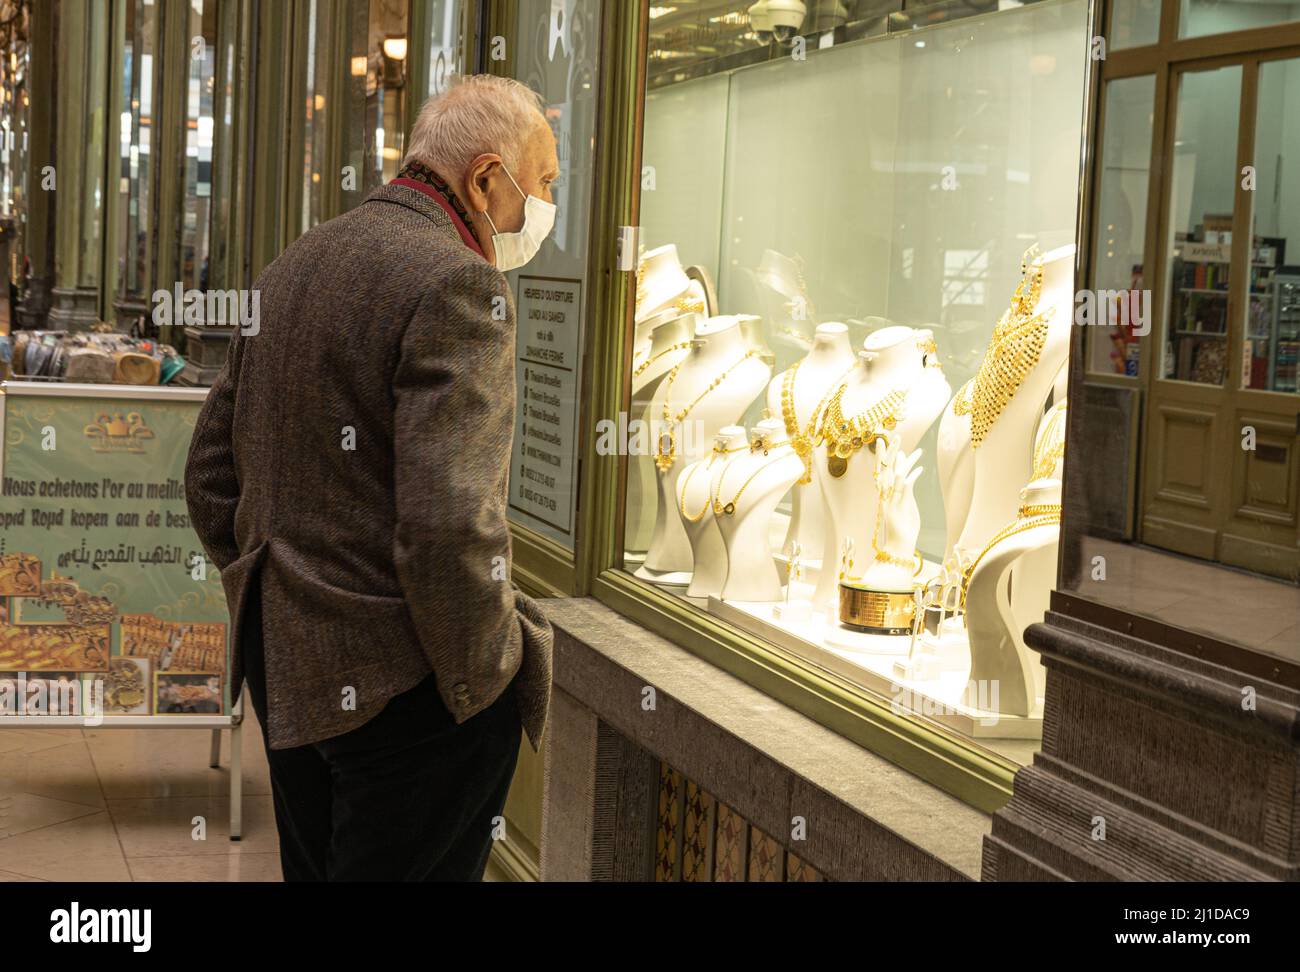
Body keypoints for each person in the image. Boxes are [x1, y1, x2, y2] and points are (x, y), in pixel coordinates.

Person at [185, 75, 557, 881]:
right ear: (487, 179)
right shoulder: (459, 283)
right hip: (411, 691)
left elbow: (210, 475)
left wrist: (280, 589)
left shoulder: (292, 265)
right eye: (544, 184)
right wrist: (486, 676)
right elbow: (448, 523)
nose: (544, 211)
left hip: (290, 668)